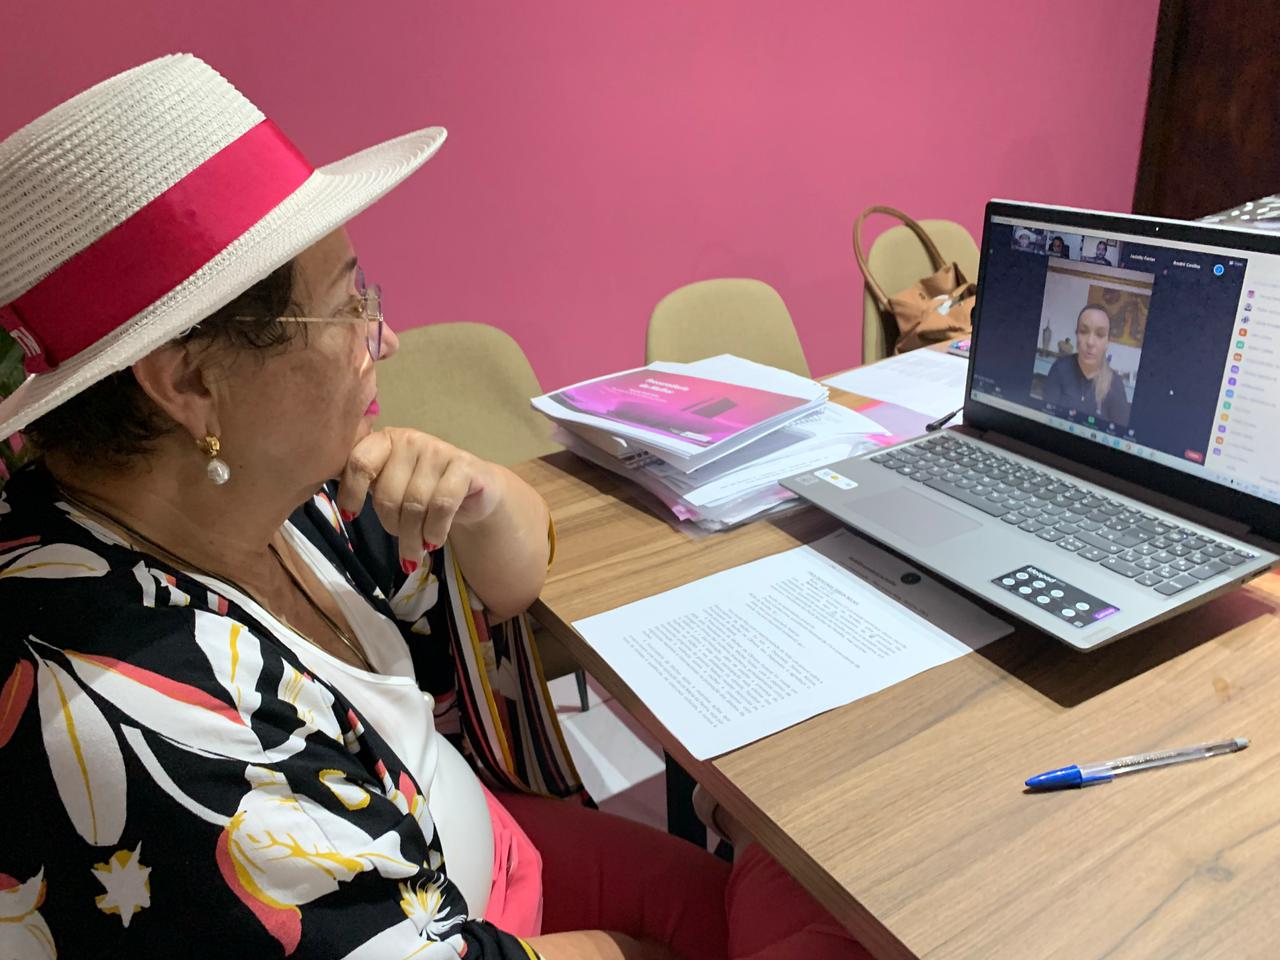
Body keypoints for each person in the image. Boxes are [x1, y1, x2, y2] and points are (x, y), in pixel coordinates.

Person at [0, 56, 865, 960]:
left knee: (799, 874)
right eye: (345, 308)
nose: (384, 335)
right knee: (826, 884)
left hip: (471, 849)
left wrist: (482, 495)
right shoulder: (145, 720)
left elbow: (514, 576)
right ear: (189, 381)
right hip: (438, 914)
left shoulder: (263, 497)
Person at [1042, 306, 1131, 424]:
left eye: (1100, 334)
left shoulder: (1115, 384)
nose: (1090, 342)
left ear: (1107, 341)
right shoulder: (1059, 369)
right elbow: (1045, 417)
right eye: (1084, 332)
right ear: (1076, 334)